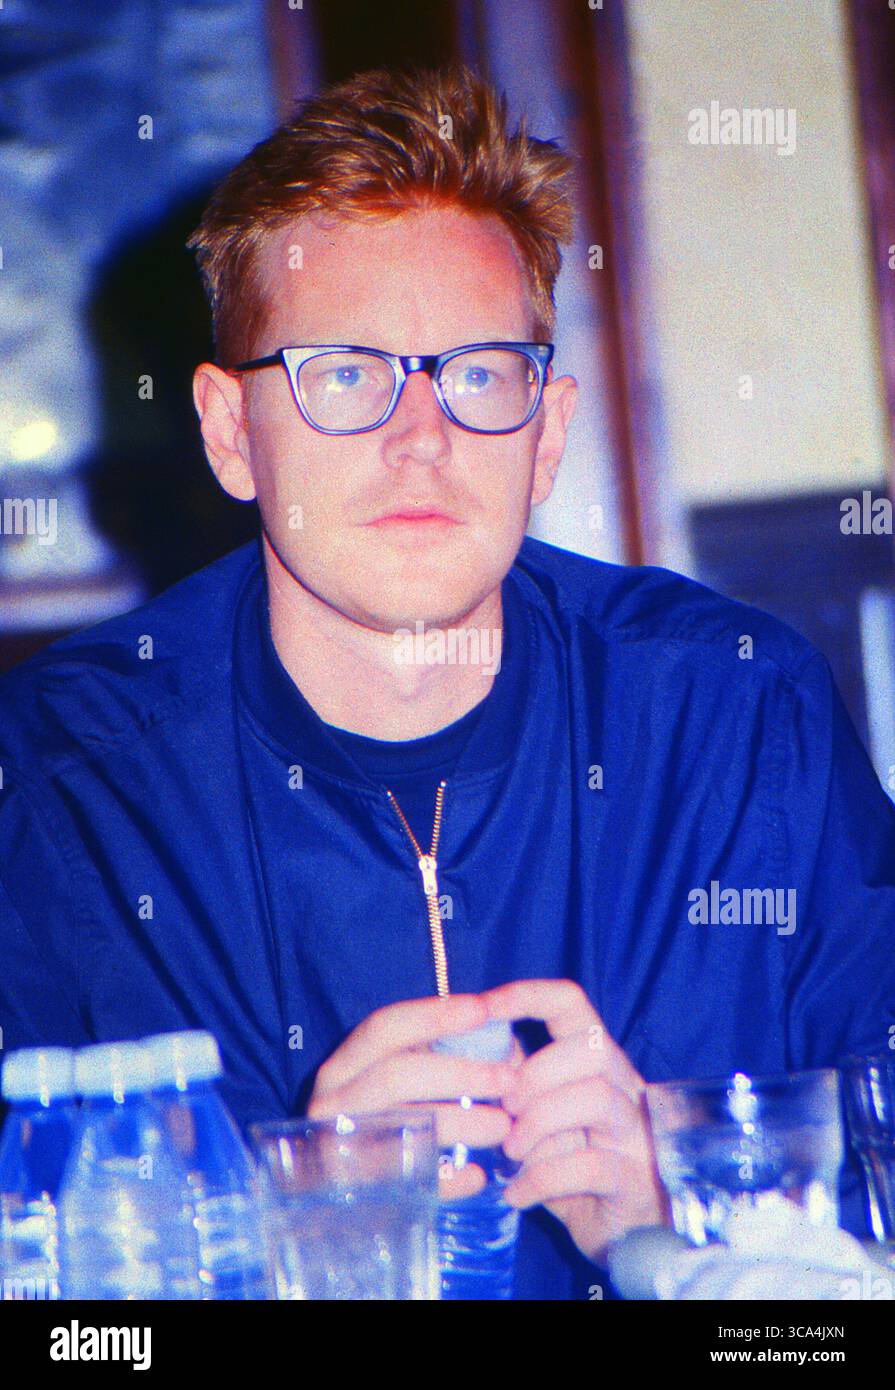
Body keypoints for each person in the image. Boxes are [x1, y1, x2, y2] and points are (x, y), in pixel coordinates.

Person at [1, 65, 893, 1301]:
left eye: (476, 373)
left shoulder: (740, 716)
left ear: (548, 431)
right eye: (346, 373)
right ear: (225, 431)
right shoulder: (64, 779)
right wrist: (281, 1236)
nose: (420, 437)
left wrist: (699, 1220)